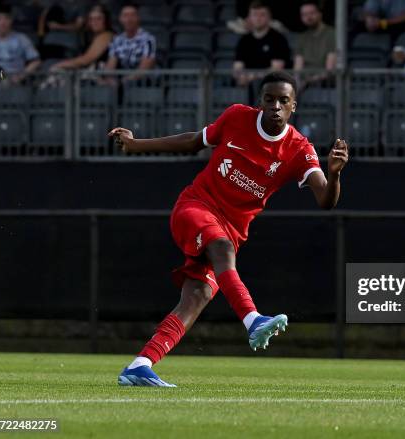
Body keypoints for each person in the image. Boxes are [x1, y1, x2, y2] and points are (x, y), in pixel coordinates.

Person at [109, 71, 349, 387]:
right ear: (260, 102)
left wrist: (334, 175)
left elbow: (325, 201)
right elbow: (194, 141)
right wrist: (137, 144)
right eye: (269, 99)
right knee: (221, 250)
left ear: (294, 107)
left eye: (283, 101)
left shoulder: (299, 150)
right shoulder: (237, 117)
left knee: (198, 295)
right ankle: (253, 320)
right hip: (196, 206)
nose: (275, 106)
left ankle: (139, 365)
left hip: (232, 229)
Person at [233, 1, 291, 87]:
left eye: (262, 15)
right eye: (255, 15)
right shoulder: (244, 40)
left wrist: (252, 77)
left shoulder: (278, 39)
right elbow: (237, 67)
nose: (258, 18)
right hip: (248, 86)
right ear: (249, 17)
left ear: (269, 17)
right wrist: (241, 77)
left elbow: (276, 69)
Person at [0, 4, 41, 82]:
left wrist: (22, 76)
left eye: (6, 18)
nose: (3, 22)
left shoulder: (22, 39)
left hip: (18, 77)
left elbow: (35, 61)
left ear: (11, 20)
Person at [49, 4, 113, 71]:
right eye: (91, 19)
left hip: (101, 75)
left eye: (99, 18)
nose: (94, 22)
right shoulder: (88, 36)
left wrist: (59, 65)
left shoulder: (106, 35)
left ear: (106, 20)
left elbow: (86, 60)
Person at [104, 3, 155, 72]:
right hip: (121, 78)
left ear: (138, 18)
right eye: (125, 16)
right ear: (120, 19)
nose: (129, 19)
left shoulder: (148, 39)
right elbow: (110, 66)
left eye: (132, 15)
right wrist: (110, 80)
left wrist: (125, 81)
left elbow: (144, 68)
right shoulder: (116, 40)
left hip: (142, 80)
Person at [294, 1, 336, 72]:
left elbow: (330, 69)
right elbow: (298, 67)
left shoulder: (331, 34)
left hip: (325, 81)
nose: (308, 17)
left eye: (312, 13)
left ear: (320, 14)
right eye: (304, 14)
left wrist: (311, 80)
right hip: (304, 80)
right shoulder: (302, 37)